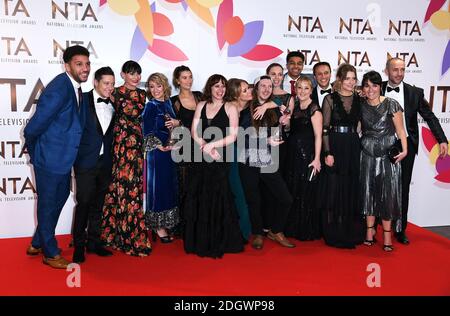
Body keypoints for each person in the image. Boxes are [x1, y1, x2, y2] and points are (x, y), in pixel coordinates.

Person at [24, 45, 90, 269]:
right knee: (48, 203)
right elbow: (34, 126)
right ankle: (50, 252)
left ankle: (37, 241)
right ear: (67, 65)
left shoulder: (74, 87)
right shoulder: (60, 88)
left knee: (59, 197)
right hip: (50, 159)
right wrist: (36, 152)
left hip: (62, 160)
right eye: (79, 64)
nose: (85, 68)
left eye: (87, 64)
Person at [382, 57, 448, 245]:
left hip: (406, 146)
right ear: (387, 70)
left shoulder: (415, 93)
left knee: (402, 188)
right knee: (379, 185)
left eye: (402, 69)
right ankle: (377, 224)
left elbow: (429, 116)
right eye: (395, 69)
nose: (399, 73)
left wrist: (442, 139)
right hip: (380, 144)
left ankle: (400, 229)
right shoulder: (375, 87)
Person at [183, 74, 244, 258]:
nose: (220, 90)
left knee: (217, 198)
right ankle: (198, 240)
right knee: (199, 196)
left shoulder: (231, 107)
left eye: (223, 86)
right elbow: (193, 130)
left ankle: (218, 240)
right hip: (200, 156)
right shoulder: (201, 105)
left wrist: (212, 146)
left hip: (219, 157)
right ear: (210, 88)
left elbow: (233, 136)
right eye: (216, 86)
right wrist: (204, 145)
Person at [101, 60, 152, 257]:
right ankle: (113, 234)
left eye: (138, 74)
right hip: (119, 144)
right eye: (132, 73)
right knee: (118, 186)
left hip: (136, 145)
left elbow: (141, 117)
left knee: (133, 188)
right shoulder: (114, 93)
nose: (136, 77)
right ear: (123, 74)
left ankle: (132, 234)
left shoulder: (142, 94)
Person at [238, 75, 294, 250]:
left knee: (285, 198)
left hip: (268, 161)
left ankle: (275, 230)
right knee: (253, 199)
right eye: (263, 85)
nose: (266, 89)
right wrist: (266, 141)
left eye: (270, 86)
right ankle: (258, 233)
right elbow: (240, 138)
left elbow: (282, 131)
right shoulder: (246, 108)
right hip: (248, 160)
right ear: (256, 88)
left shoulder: (276, 108)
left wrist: (286, 124)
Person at [360, 70, 408, 252]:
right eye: (367, 85)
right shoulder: (361, 105)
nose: (370, 89)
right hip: (366, 155)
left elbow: (401, 131)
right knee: (368, 192)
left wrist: (404, 150)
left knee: (387, 194)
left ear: (380, 86)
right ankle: (369, 231)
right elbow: (359, 128)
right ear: (363, 88)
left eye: (374, 85)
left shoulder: (391, 104)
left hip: (388, 155)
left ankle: (387, 233)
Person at [318, 63, 364, 249]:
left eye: (354, 79)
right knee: (334, 188)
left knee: (351, 186)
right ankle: (333, 230)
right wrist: (327, 152)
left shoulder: (359, 99)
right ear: (340, 79)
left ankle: (349, 229)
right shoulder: (329, 99)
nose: (351, 82)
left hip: (353, 145)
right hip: (335, 144)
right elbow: (325, 128)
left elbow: (361, 124)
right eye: (347, 78)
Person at [72, 67, 115, 263]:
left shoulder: (115, 104)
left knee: (99, 204)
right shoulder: (82, 100)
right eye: (106, 83)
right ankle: (78, 246)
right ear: (95, 82)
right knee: (84, 204)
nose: (110, 87)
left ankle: (94, 242)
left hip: (106, 162)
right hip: (85, 162)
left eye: (113, 84)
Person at [283, 76, 323, 241]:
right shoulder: (295, 106)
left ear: (311, 90)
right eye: (299, 88)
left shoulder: (315, 109)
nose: (302, 91)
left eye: (306, 88)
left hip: (308, 155)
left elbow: (318, 136)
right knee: (294, 188)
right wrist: (285, 121)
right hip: (293, 153)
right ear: (295, 90)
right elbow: (289, 128)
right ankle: (292, 227)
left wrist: (317, 159)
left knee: (306, 190)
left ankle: (306, 228)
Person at [142, 73, 180, 242]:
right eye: (151, 86)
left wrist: (175, 141)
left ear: (164, 85)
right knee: (157, 188)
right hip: (157, 153)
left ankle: (167, 222)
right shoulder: (150, 105)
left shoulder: (169, 103)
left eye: (158, 85)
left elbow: (174, 126)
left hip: (170, 151)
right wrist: (159, 146)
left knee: (168, 187)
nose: (155, 90)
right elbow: (147, 130)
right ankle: (157, 227)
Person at [170, 65, 203, 238]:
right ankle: (182, 226)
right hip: (183, 149)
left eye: (190, 77)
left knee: (198, 187)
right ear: (177, 80)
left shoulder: (199, 97)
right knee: (184, 188)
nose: (188, 81)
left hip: (201, 147)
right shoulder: (173, 101)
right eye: (184, 77)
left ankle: (197, 224)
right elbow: (170, 128)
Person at [225, 78, 253, 242]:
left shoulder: (252, 107)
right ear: (236, 94)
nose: (249, 91)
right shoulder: (228, 109)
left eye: (248, 88)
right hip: (231, 153)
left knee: (246, 191)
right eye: (245, 90)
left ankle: (245, 230)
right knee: (237, 191)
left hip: (250, 154)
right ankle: (241, 231)